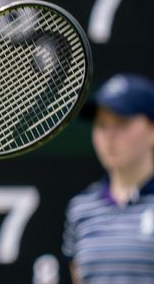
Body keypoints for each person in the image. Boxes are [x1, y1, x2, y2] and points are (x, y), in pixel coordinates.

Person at [62, 73, 154, 284]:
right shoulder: (80, 209)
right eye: (102, 125)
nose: (109, 136)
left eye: (122, 123)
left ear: (151, 130)